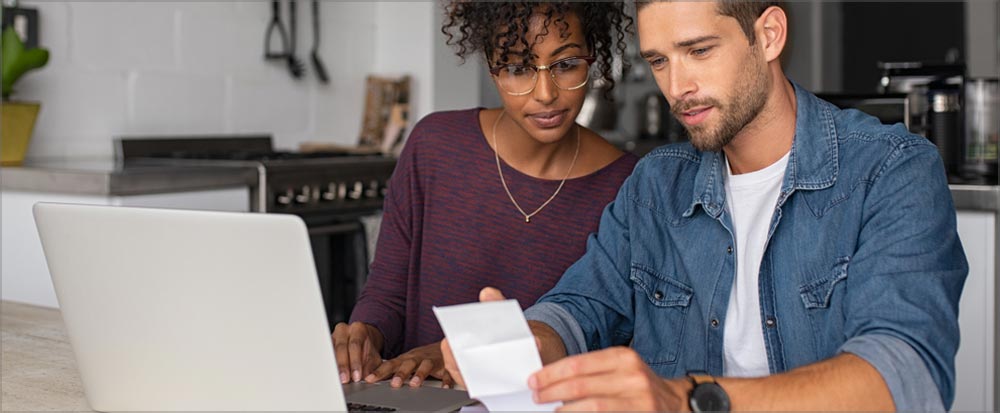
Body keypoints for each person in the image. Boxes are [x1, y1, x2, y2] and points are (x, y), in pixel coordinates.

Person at [442, 1, 968, 411]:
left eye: (699, 51)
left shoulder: (892, 170)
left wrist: (688, 400)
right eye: (659, 61)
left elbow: (905, 375)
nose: (678, 87)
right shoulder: (656, 183)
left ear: (768, 35)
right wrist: (529, 342)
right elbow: (583, 306)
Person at [332, 1, 638, 389]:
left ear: (592, 57)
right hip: (415, 397)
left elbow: (604, 336)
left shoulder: (628, 185)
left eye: (566, 64)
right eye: (516, 68)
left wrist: (462, 356)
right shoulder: (434, 146)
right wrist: (365, 336)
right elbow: (388, 294)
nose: (545, 93)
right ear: (491, 66)